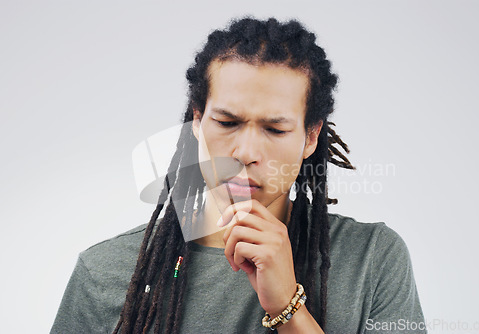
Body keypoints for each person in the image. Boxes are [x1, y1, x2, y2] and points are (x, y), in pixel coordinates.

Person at [51, 17, 426, 334]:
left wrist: (288, 308)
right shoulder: (103, 272)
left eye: (275, 129)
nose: (246, 153)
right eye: (227, 122)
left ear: (311, 136)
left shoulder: (372, 258)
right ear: (197, 121)